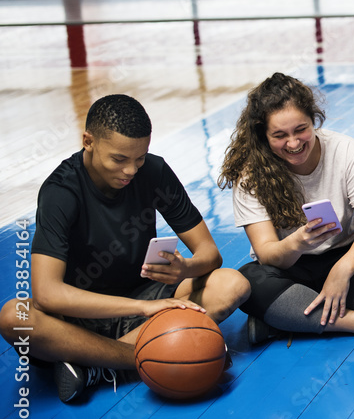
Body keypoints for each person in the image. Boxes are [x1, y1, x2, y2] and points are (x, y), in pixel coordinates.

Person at [0, 95, 250, 403]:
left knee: (232, 284)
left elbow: (210, 255)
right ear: (88, 141)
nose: (131, 170)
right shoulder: (61, 192)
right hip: (81, 315)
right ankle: (144, 359)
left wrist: (185, 269)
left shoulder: (155, 172)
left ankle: (93, 367)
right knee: (15, 316)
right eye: (119, 159)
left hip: (146, 295)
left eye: (140, 158)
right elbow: (47, 294)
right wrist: (145, 310)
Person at [218, 73, 354, 344]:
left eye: (300, 130)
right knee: (249, 282)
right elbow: (267, 253)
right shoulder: (250, 173)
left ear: (314, 120)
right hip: (287, 270)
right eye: (280, 136)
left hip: (346, 260)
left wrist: (342, 270)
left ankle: (285, 320)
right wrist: (297, 243)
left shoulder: (345, 150)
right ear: (263, 134)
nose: (293, 143)